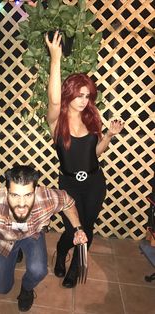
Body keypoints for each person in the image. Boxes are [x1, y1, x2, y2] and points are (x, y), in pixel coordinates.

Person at [0, 165, 87, 312]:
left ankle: (26, 290)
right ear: (6, 192)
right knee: (2, 289)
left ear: (35, 191)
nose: (21, 204)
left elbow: (68, 203)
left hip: (33, 235)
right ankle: (16, 251)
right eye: (15, 195)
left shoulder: (47, 198)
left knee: (39, 270)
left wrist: (78, 228)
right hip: (5, 239)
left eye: (28, 195)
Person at [45, 31, 124, 288]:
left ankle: (75, 268)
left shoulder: (91, 119)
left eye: (87, 95)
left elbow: (95, 153)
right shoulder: (56, 122)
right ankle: (61, 249)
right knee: (72, 229)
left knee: (87, 227)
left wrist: (109, 135)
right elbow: (53, 100)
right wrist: (55, 59)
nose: (84, 100)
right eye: (79, 95)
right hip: (69, 184)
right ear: (69, 94)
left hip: (94, 181)